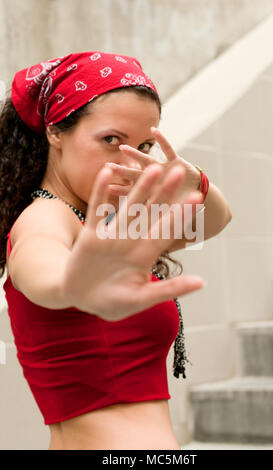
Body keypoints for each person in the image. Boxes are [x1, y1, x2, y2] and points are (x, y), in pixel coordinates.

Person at [0, 51, 231, 450]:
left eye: (143, 145)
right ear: (56, 131)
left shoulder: (107, 228)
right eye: (111, 140)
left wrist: (190, 178)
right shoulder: (46, 219)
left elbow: (213, 221)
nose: (131, 161)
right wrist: (72, 285)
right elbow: (42, 266)